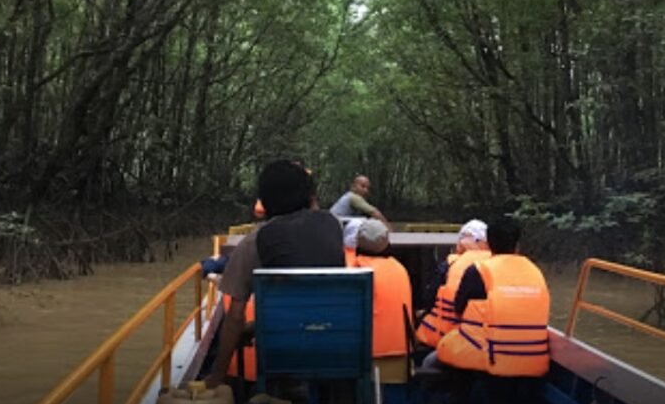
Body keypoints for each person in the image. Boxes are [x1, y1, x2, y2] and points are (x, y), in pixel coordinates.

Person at [204, 160, 344, 390]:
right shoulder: (334, 225)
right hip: (337, 342)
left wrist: (216, 375)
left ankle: (281, 397)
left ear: (264, 201)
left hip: (284, 352)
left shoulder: (253, 243)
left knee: (242, 329)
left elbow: (235, 316)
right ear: (310, 196)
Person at [430, 215, 550, 404]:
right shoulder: (535, 271)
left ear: (489, 244)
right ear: (518, 245)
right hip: (533, 361)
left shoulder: (478, 270)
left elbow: (459, 309)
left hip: (493, 361)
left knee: (437, 357)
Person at [416, 219, 490, 348]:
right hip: (483, 343)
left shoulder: (450, 264)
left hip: (447, 340)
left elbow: (429, 299)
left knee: (427, 362)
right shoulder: (495, 264)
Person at [348, 219, 414, 361]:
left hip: (367, 354)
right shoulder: (399, 268)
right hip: (402, 352)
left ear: (358, 241)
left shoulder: (357, 270)